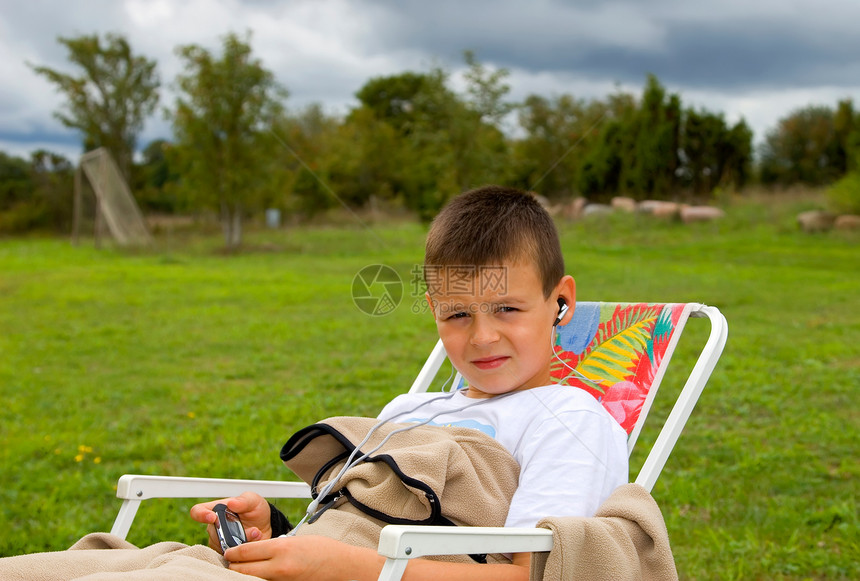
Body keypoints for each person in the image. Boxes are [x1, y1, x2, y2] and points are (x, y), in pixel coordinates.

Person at [189, 185, 629, 581]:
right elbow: (364, 514)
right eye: (458, 314)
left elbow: (531, 576)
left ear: (562, 300)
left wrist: (348, 569)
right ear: (434, 310)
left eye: (507, 309)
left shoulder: (568, 420)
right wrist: (276, 534)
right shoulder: (406, 410)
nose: (482, 337)